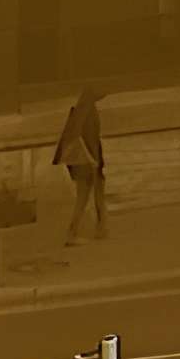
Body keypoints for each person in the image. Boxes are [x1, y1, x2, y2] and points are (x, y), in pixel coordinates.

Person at [55, 84, 108, 242]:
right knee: (87, 194)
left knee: (90, 193)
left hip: (89, 158)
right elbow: (83, 135)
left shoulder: (85, 106)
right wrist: (93, 161)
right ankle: (77, 231)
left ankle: (97, 227)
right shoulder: (85, 108)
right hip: (87, 159)